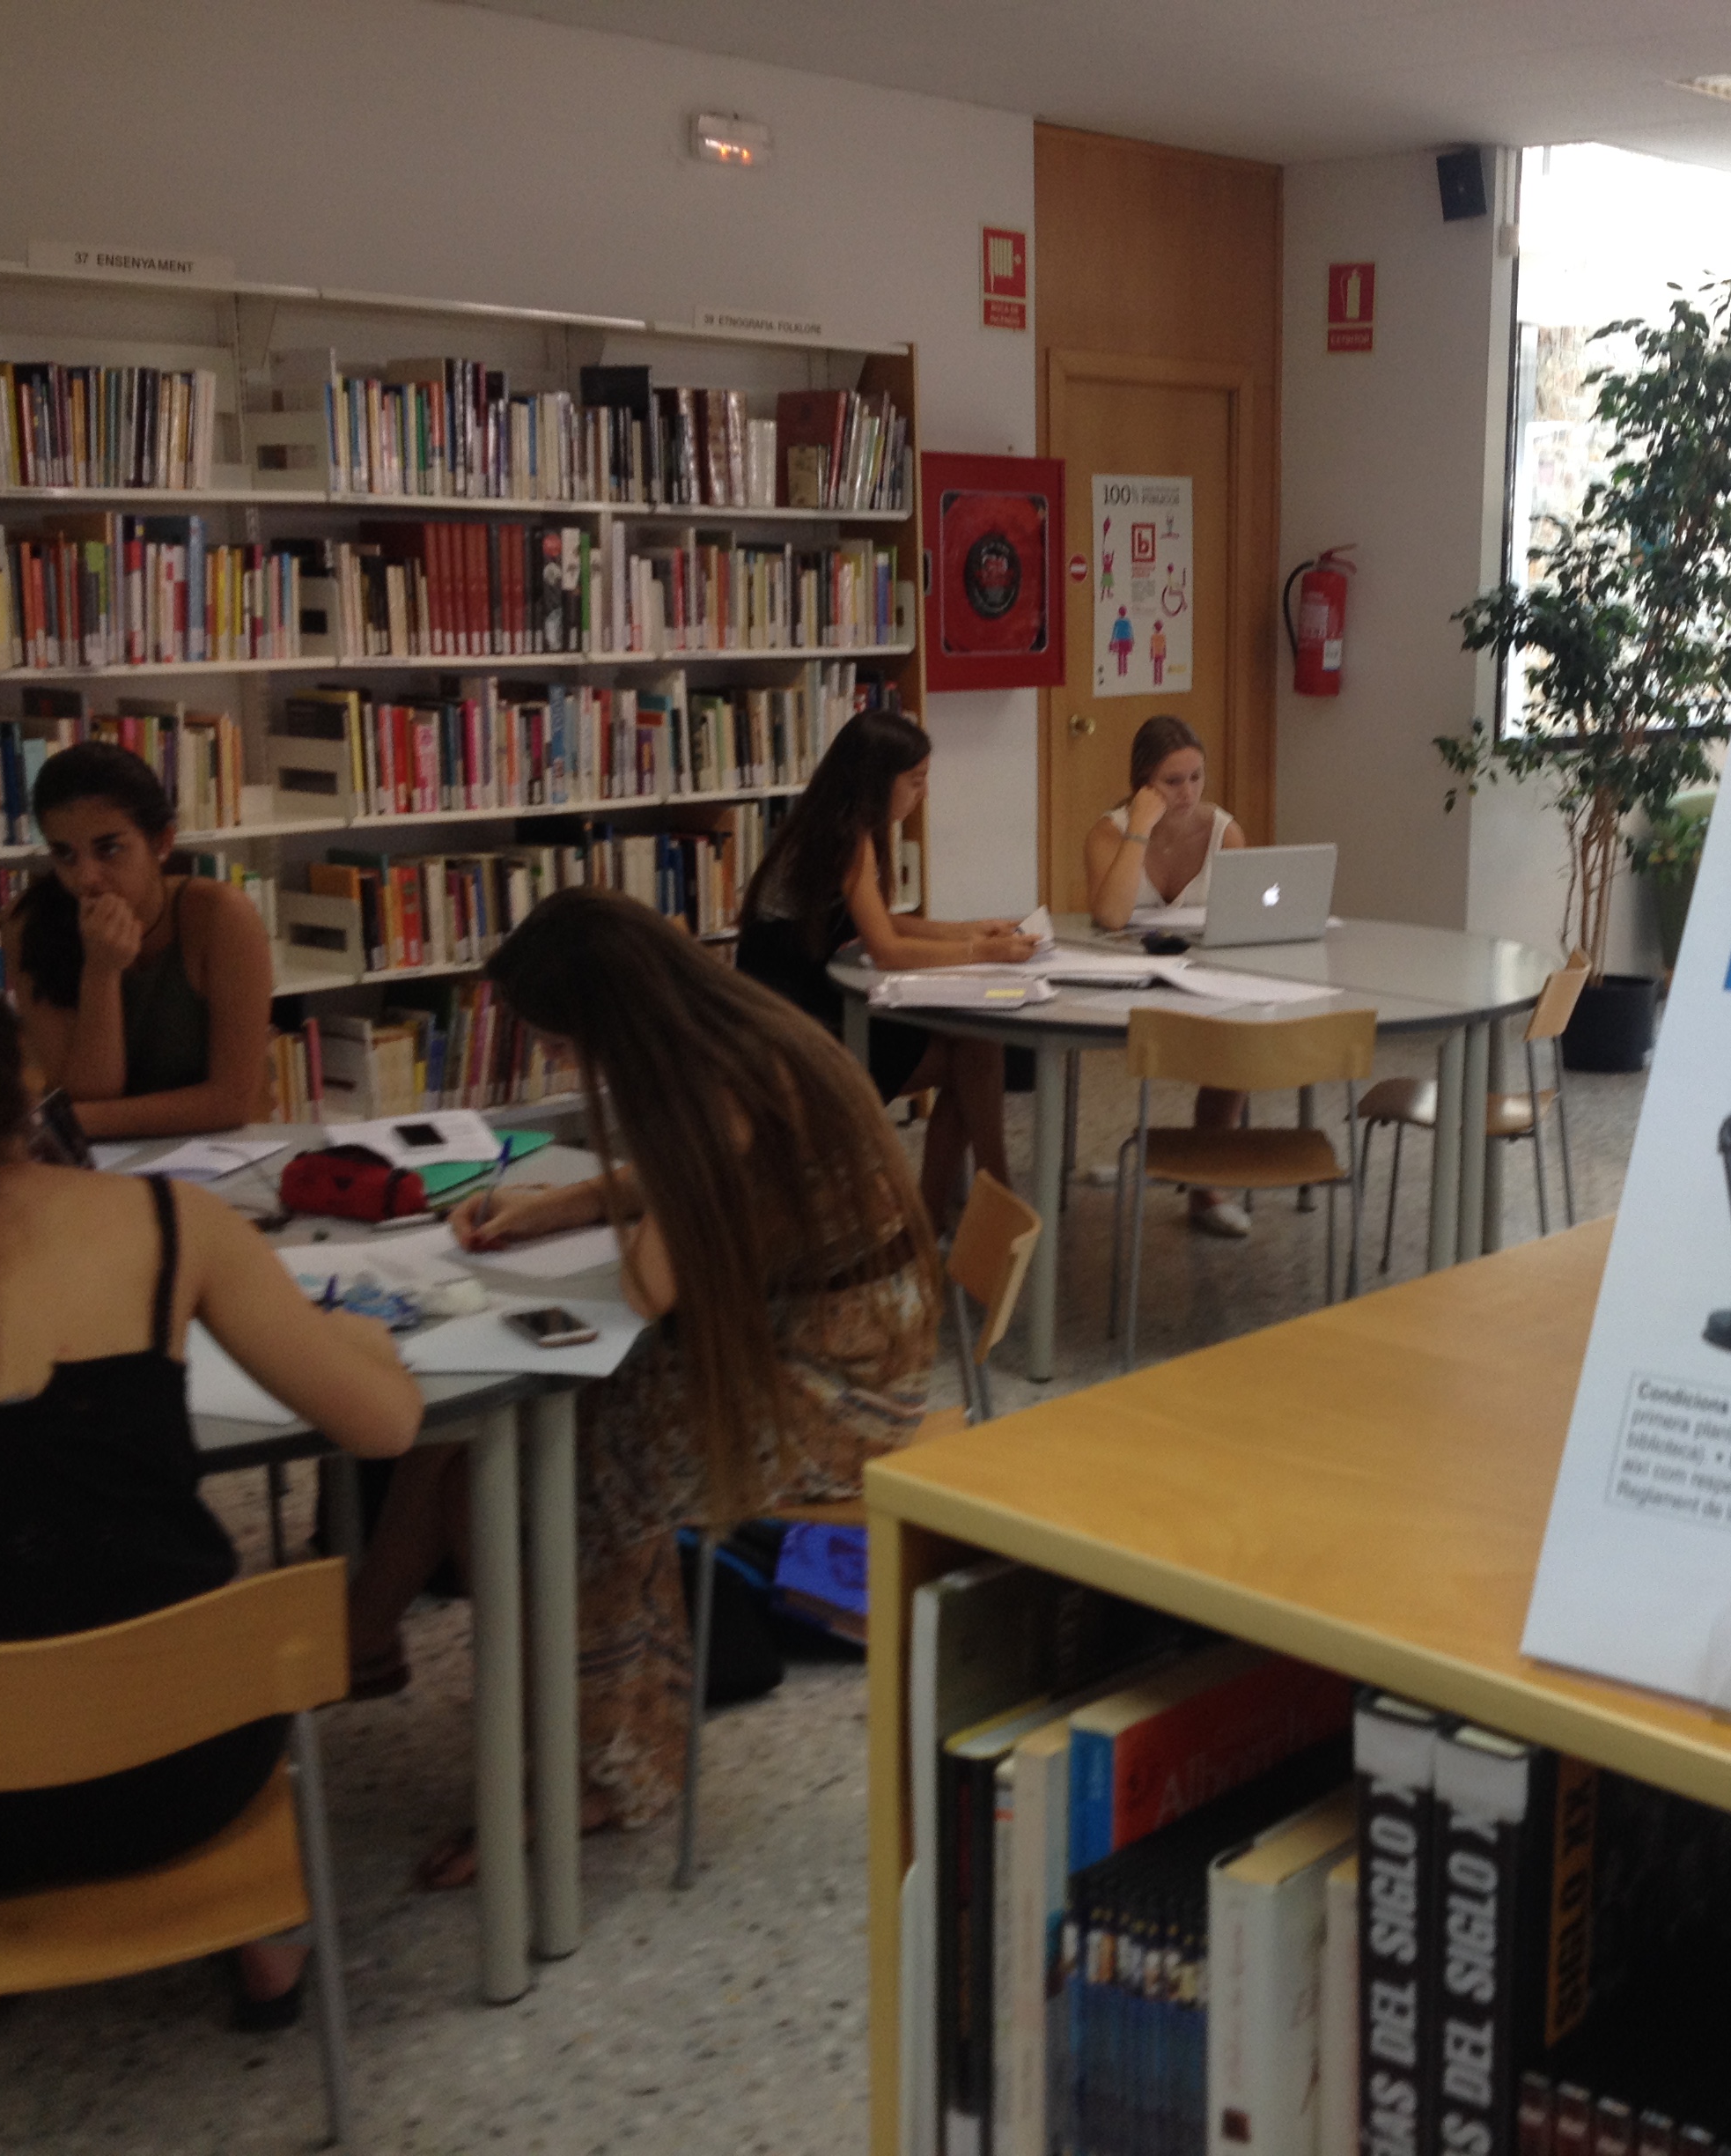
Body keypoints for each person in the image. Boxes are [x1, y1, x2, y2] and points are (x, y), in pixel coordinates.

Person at [0, 937, 421, 2063]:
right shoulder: (167, 1228)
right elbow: (384, 1427)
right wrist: (359, 1339)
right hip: (175, 1784)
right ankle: (265, 1947)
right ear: (22, 1073)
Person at [344, 890, 936, 1878]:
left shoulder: (714, 1079)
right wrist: (552, 1209)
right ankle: (368, 1640)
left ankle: (608, 1769)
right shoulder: (733, 1030)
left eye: (567, 1042)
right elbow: (689, 1192)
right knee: (475, 1435)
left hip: (841, 1378)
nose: (571, 1064)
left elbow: (651, 1284)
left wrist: (597, 1219)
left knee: (560, 1468)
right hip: (819, 1325)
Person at [736, 707, 1032, 1229]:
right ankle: (978, 1200)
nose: (923, 794)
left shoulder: (831, 823)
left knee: (976, 1047)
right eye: (915, 781)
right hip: (806, 1039)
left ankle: (953, 1209)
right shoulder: (846, 839)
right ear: (877, 780)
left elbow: (881, 922)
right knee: (976, 1051)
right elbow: (888, 950)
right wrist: (981, 953)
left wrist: (967, 930)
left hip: (805, 1014)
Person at [8, 741, 276, 1138]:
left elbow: (230, 1101)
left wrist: (67, 1121)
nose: (86, 878)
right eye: (65, 855)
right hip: (97, 1164)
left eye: (109, 849)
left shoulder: (220, 917)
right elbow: (88, 1093)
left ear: (162, 843)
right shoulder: (31, 923)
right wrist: (101, 972)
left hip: (216, 1154)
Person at [1083, 714, 1256, 1237]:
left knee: (1238, 1040)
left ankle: (1204, 1186)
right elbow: (1111, 916)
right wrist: (1140, 826)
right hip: (1128, 975)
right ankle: (1165, 1161)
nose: (1187, 792)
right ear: (1143, 783)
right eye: (1172, 781)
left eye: (1196, 777)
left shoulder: (1226, 831)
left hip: (1203, 970)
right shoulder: (1109, 832)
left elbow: (1242, 917)